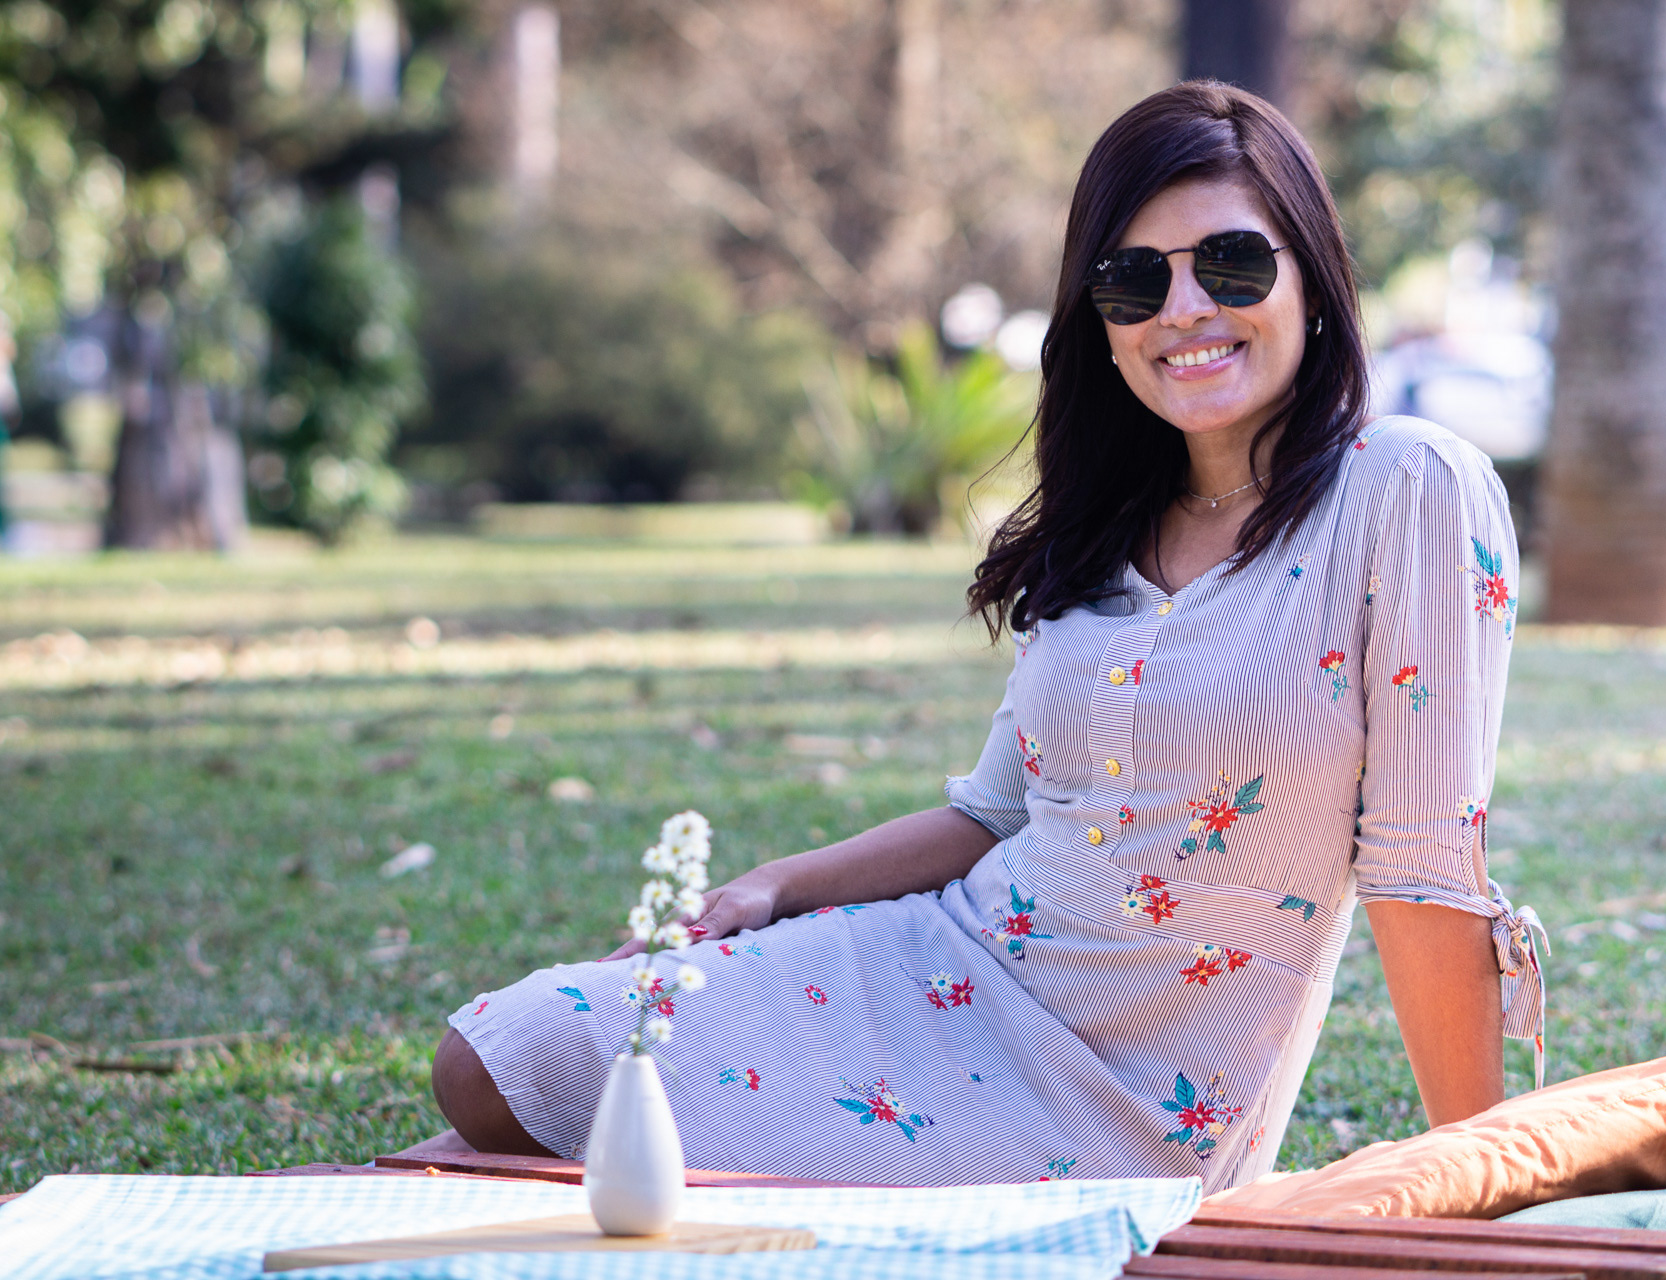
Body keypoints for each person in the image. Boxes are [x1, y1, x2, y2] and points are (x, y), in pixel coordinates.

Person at [430, 80, 1545, 1194]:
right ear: (1100, 320)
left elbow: (1425, 871)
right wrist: (776, 885)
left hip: (1121, 1106)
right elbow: (997, 813)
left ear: (1314, 275)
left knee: (552, 1140)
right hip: (936, 967)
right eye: (1134, 279)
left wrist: (1486, 1185)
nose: (1185, 308)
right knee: (492, 1063)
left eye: (1233, 264)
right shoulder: (1111, 523)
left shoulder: (1406, 486)